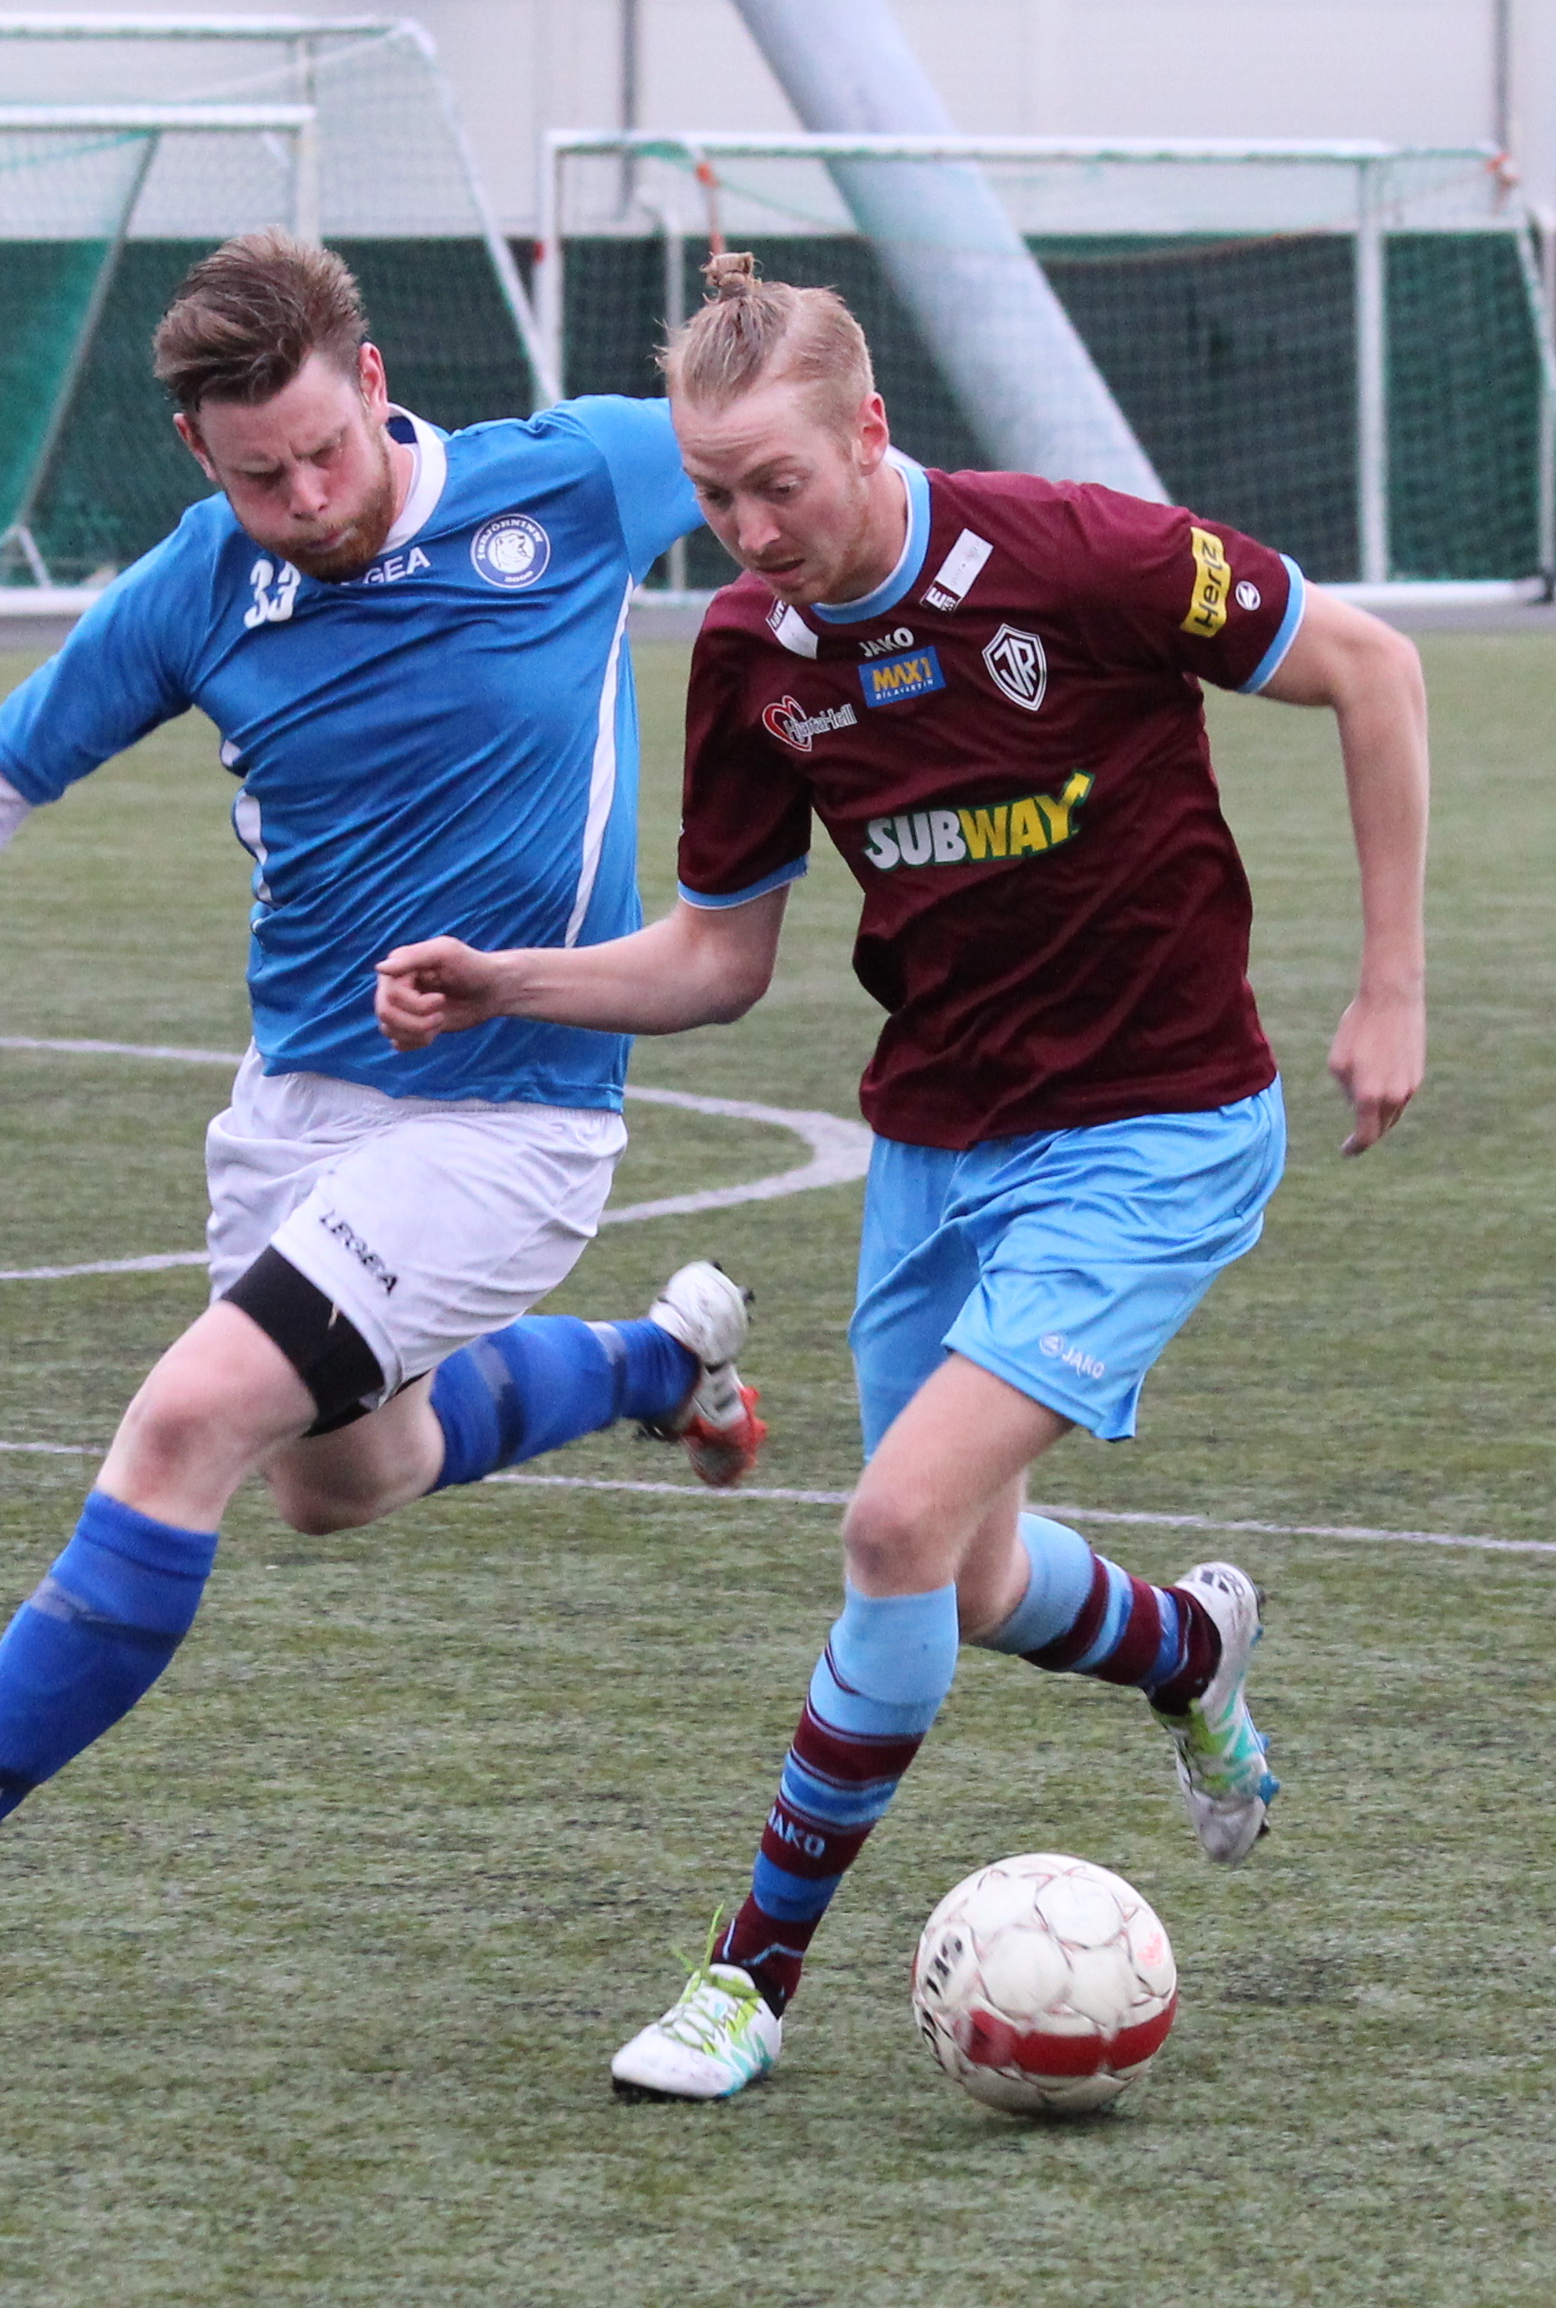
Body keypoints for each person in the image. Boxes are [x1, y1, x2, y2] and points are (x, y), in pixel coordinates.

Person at [373, 254, 1430, 2099]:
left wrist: (1391, 982)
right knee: (971, 1576)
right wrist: (504, 982)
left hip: (1159, 1128)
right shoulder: (750, 658)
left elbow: (1373, 666)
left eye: (777, 484)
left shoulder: (1079, 556)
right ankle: (1189, 1646)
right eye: (713, 495)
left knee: (888, 1528)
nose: (747, 530)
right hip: (936, 1143)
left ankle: (745, 1982)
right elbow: (720, 960)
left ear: (869, 430)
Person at [0, 232, 768, 1949]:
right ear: (198, 451)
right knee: (340, 1481)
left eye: (327, 451)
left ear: (376, 387)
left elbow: (807, 447)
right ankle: (660, 1363)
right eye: (260, 475)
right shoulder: (203, 582)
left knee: (188, 1417)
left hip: (511, 1120)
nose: (306, 498)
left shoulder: (569, 481)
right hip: (295, 1119)